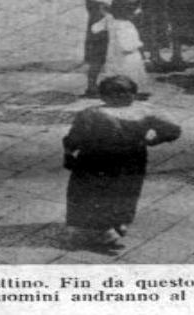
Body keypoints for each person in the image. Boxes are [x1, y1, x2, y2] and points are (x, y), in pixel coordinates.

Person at [63, 75, 181, 253]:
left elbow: (75, 138)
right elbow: (173, 130)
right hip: (132, 160)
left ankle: (96, 233)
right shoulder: (147, 111)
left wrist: (69, 152)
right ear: (134, 93)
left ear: (102, 96)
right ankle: (118, 224)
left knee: (90, 193)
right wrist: (154, 141)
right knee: (126, 190)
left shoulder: (91, 113)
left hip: (94, 161)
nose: (119, 96)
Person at [96, 0, 150, 96]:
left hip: (113, 53)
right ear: (127, 12)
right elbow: (126, 46)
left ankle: (117, 91)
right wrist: (139, 45)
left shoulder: (111, 20)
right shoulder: (125, 25)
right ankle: (131, 91)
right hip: (128, 55)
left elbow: (95, 28)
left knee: (115, 71)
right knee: (130, 72)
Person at [83, 0, 115, 97]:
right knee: (96, 60)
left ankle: (95, 85)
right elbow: (101, 17)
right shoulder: (95, 0)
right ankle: (91, 87)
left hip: (102, 31)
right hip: (99, 34)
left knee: (100, 61)